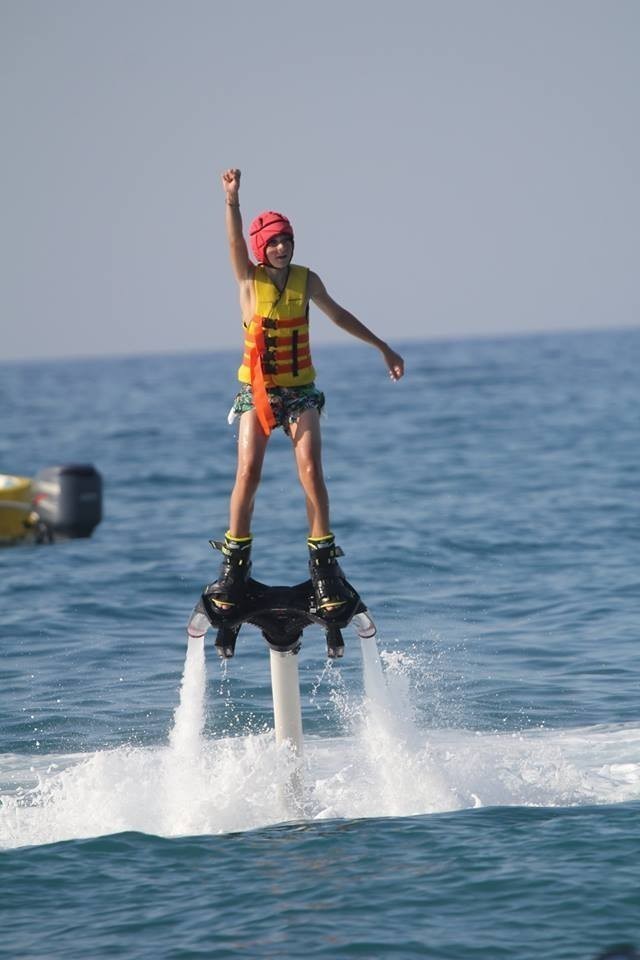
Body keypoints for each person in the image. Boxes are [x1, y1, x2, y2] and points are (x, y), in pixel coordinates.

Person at [210, 168, 404, 618]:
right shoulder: (248, 281)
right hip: (257, 392)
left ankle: (323, 567)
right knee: (247, 473)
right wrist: (232, 201)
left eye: (287, 240)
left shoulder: (307, 280)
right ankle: (234, 568)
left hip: (299, 393)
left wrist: (382, 347)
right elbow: (235, 242)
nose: (281, 248)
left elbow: (339, 316)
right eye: (273, 242)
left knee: (311, 470)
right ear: (263, 248)